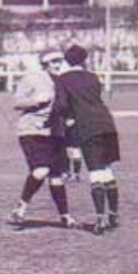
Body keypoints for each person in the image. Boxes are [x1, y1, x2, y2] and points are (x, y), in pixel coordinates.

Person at [53, 44, 121, 235]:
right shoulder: (93, 77)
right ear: (84, 60)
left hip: (87, 127)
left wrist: (66, 118)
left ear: (66, 60)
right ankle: (113, 214)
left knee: (95, 173)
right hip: (107, 124)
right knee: (107, 170)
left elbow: (62, 104)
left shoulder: (63, 79)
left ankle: (100, 219)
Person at [9, 49, 77, 228]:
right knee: (41, 170)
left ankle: (65, 216)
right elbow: (17, 102)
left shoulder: (62, 81)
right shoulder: (32, 78)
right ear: (45, 64)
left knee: (57, 178)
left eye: (59, 62)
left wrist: (70, 117)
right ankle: (21, 208)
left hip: (55, 133)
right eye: (54, 62)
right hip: (32, 131)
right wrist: (36, 101)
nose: (57, 65)